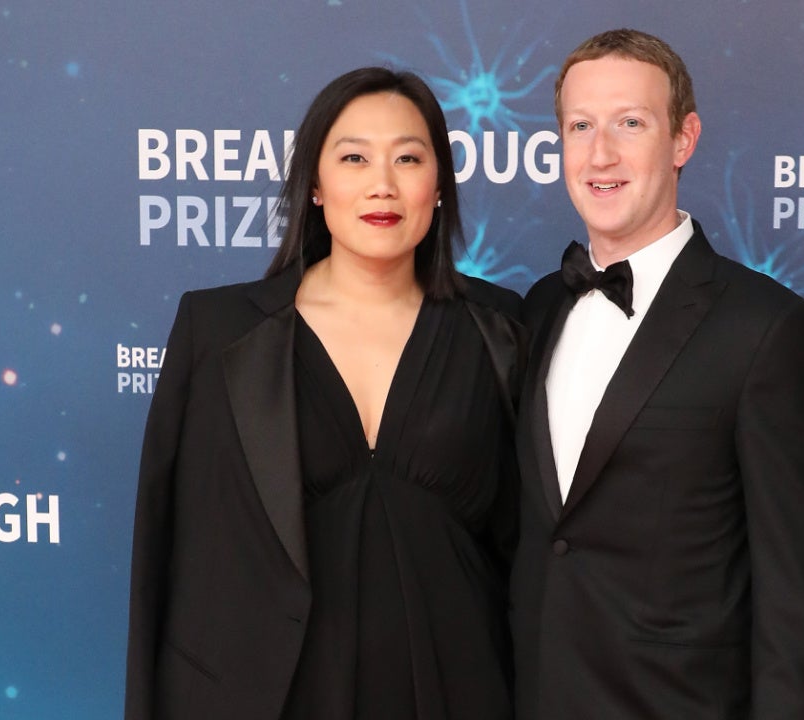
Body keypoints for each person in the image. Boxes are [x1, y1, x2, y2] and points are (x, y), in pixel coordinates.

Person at [125, 67, 521, 720]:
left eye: (408, 158)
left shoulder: (503, 330)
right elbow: (165, 552)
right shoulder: (217, 331)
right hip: (266, 695)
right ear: (315, 184)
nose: (382, 184)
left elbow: (532, 552)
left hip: (461, 687)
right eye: (354, 158)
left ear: (439, 186)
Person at [511, 29, 804, 719]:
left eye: (630, 123)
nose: (600, 154)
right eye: (580, 126)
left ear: (683, 140)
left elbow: (793, 598)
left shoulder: (766, 328)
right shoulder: (537, 309)